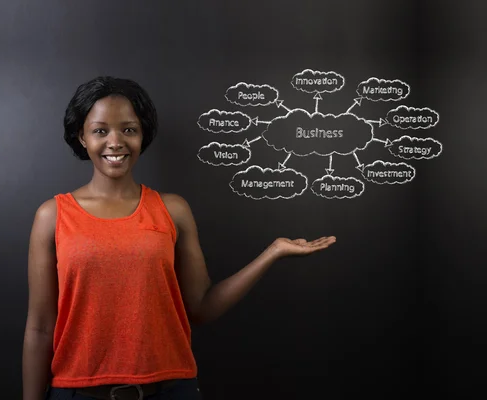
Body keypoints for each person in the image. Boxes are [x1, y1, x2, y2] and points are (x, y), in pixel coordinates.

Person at [22, 76, 336, 400]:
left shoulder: (172, 210)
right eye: (100, 130)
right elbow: (40, 328)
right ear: (82, 137)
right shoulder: (53, 216)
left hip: (172, 391)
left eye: (128, 129)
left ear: (142, 136)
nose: (115, 142)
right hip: (77, 393)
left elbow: (201, 308)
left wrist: (272, 252)